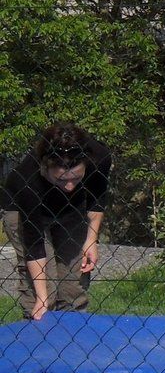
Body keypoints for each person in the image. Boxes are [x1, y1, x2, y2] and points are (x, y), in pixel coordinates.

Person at [2, 122, 112, 320]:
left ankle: (73, 339)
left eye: (76, 178)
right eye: (61, 180)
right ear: (45, 167)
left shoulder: (99, 157)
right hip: (23, 211)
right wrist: (42, 298)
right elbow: (34, 244)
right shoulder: (27, 181)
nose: (69, 186)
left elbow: (97, 199)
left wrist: (91, 240)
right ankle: (37, 335)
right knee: (45, 292)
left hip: (71, 209)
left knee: (73, 284)